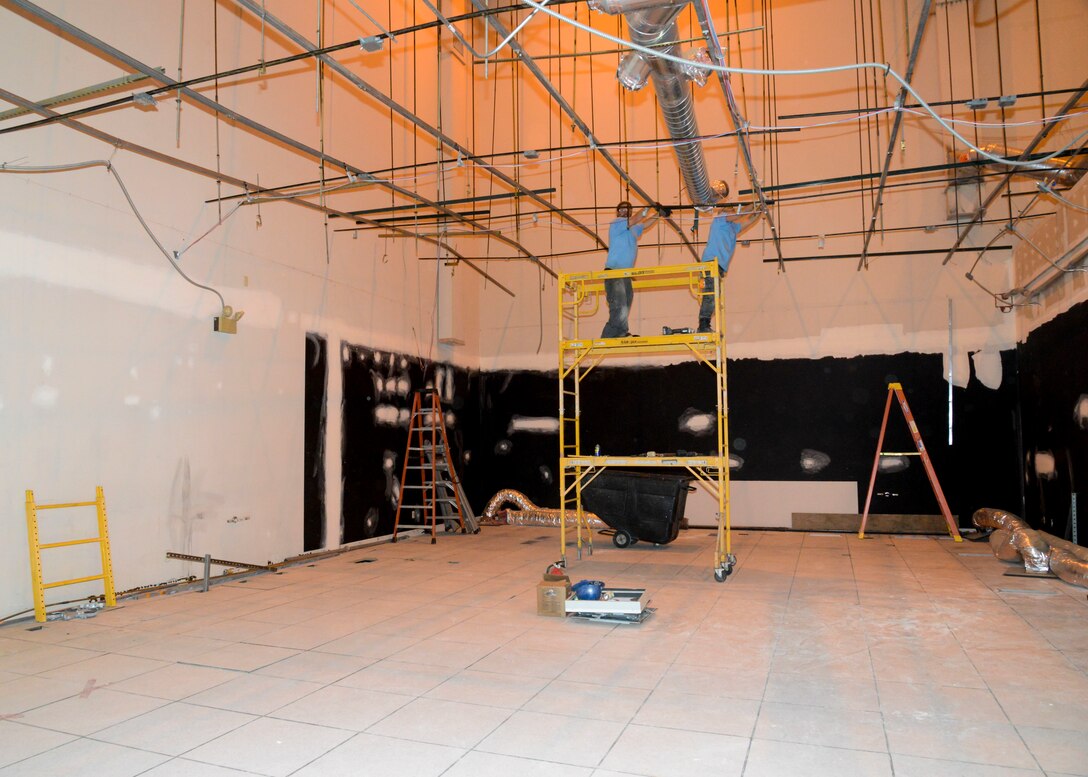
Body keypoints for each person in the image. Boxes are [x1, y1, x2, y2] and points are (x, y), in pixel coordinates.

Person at [697, 184, 762, 333]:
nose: (732, 210)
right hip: (710, 263)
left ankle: (705, 323)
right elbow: (740, 215)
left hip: (719, 266)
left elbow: (749, 220)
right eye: (730, 208)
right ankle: (703, 324)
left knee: (713, 295)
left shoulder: (733, 227)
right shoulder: (720, 219)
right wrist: (755, 203)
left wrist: (759, 210)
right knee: (710, 294)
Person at [601, 200, 662, 338]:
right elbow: (637, 218)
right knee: (619, 305)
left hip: (625, 274)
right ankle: (608, 337)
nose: (623, 212)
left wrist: (659, 214)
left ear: (629, 212)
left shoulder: (633, 228)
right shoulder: (617, 223)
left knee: (626, 303)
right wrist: (648, 207)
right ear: (617, 212)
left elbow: (644, 224)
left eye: (626, 209)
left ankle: (621, 332)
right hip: (614, 272)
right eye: (620, 209)